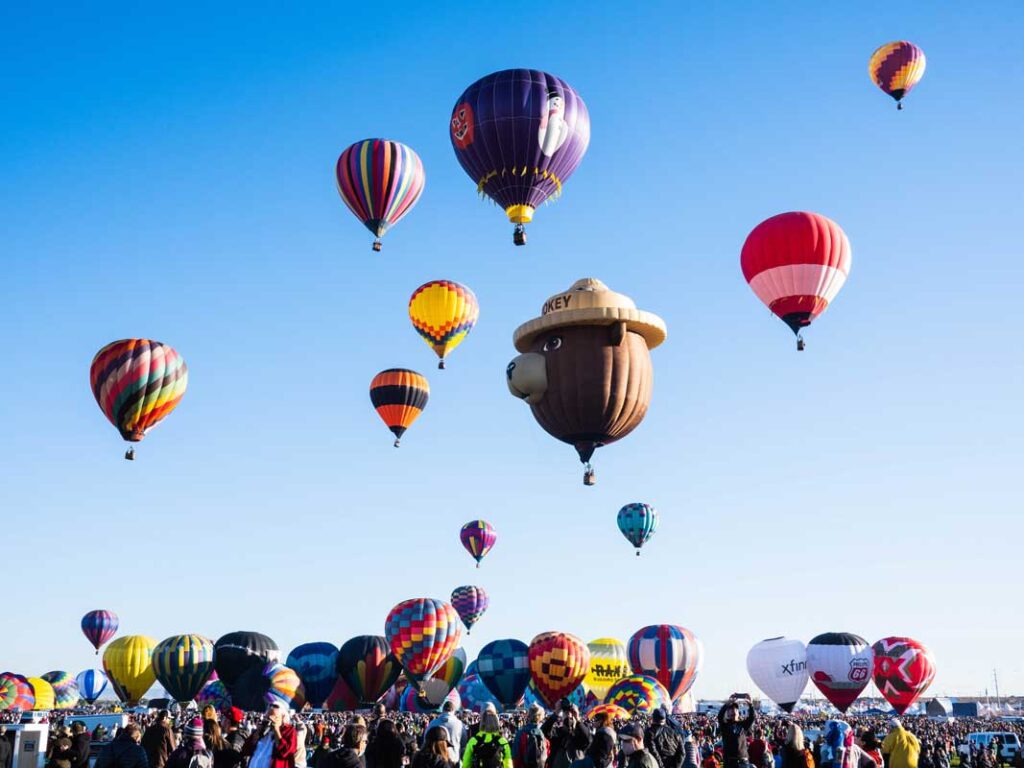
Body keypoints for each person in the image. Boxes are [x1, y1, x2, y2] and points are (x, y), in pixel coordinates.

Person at [244, 702, 298, 768]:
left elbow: (286, 752)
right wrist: (257, 732)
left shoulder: (289, 731)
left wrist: (276, 730)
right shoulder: (263, 729)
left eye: (274, 717)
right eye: (268, 717)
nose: (270, 720)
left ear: (283, 717)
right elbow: (246, 749)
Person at [542, 702, 591, 768]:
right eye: (566, 712)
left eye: (571, 713)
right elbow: (543, 731)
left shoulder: (580, 734)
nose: (569, 715)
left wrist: (578, 719)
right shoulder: (557, 732)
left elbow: (588, 740)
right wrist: (556, 714)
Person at [716, 699, 754, 768]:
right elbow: (720, 717)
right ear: (728, 713)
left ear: (738, 712)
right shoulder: (725, 725)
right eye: (731, 709)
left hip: (742, 761)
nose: (733, 710)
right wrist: (727, 704)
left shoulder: (743, 724)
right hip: (729, 762)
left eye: (735, 709)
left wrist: (750, 705)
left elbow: (751, 718)